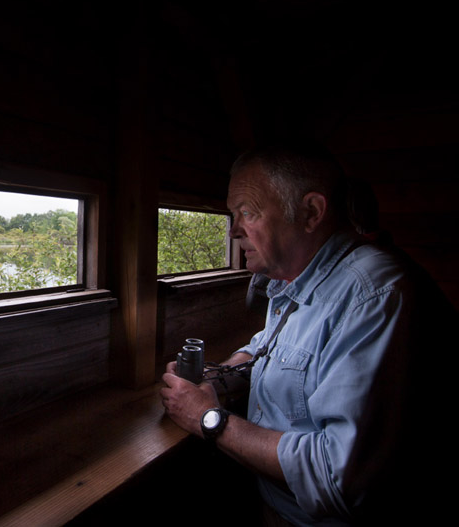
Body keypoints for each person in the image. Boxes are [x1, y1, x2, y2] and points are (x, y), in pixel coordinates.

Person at [160, 144, 456, 525]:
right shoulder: (297, 279)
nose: (233, 231)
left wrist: (208, 418)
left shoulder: (374, 296)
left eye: (247, 213)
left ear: (311, 213)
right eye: (232, 216)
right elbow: (274, 347)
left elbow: (337, 477)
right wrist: (223, 376)